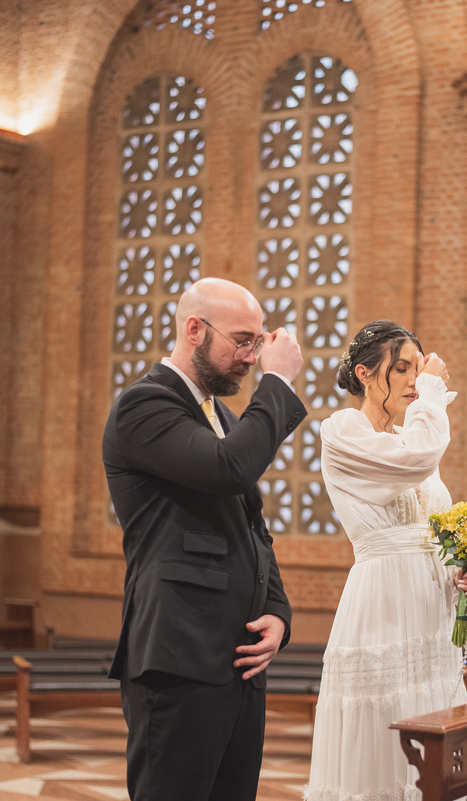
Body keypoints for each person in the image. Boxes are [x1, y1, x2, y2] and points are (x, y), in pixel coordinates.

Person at [103, 278, 306, 801]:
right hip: (179, 655)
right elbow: (228, 469)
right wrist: (277, 382)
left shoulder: (224, 417)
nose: (251, 356)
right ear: (194, 330)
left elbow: (253, 528)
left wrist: (278, 611)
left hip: (238, 662)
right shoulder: (144, 405)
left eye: (258, 343)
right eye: (242, 341)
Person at [304, 320, 467, 800]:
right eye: (401, 368)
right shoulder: (343, 431)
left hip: (431, 609)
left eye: (417, 370)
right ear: (364, 374)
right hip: (383, 600)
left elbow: (435, 526)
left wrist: (459, 569)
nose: (412, 380)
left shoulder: (409, 437)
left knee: (433, 721)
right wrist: (432, 393)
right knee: (386, 723)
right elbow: (418, 459)